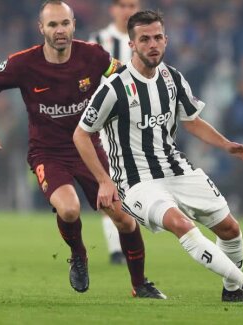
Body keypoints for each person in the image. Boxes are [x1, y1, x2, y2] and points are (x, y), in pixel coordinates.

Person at [0, 0, 165, 299]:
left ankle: (140, 284)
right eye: (52, 25)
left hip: (89, 148)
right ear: (42, 29)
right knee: (68, 207)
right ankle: (79, 254)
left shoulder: (92, 56)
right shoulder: (24, 63)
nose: (59, 30)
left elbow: (123, 76)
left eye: (64, 23)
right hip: (47, 153)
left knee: (124, 219)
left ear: (73, 25)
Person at [74, 10, 243, 304]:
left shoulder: (172, 77)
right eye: (145, 39)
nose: (153, 44)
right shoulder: (113, 88)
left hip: (177, 170)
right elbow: (81, 133)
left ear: (166, 40)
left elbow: (191, 120)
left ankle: (232, 290)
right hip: (138, 181)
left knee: (230, 229)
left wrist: (226, 145)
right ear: (132, 44)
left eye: (158, 37)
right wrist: (104, 180)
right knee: (181, 224)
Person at [89, 0, 140, 265]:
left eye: (132, 4)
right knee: (110, 183)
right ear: (112, 9)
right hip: (106, 125)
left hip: (138, 125)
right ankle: (116, 249)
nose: (127, 10)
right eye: (122, 4)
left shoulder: (145, 40)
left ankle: (128, 241)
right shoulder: (98, 41)